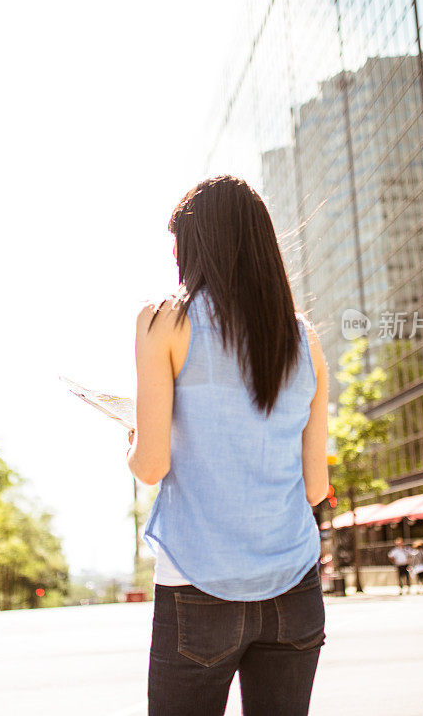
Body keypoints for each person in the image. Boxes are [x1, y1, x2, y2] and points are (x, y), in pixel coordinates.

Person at [126, 175, 330, 716]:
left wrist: (135, 434)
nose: (172, 253)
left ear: (197, 243)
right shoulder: (303, 338)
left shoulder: (163, 320)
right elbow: (316, 487)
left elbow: (151, 467)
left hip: (198, 586)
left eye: (177, 240)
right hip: (294, 589)